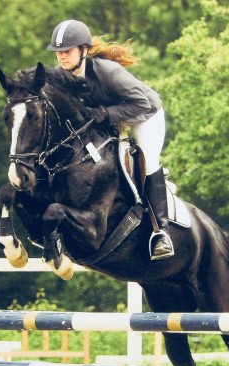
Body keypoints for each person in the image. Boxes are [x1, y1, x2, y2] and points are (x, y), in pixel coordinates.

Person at [47, 19, 174, 260]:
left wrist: (106, 114)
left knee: (149, 160)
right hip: (108, 119)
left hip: (144, 114)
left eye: (67, 51)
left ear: (83, 50)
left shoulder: (107, 71)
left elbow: (141, 103)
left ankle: (161, 232)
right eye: (58, 53)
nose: (61, 57)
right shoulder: (61, 76)